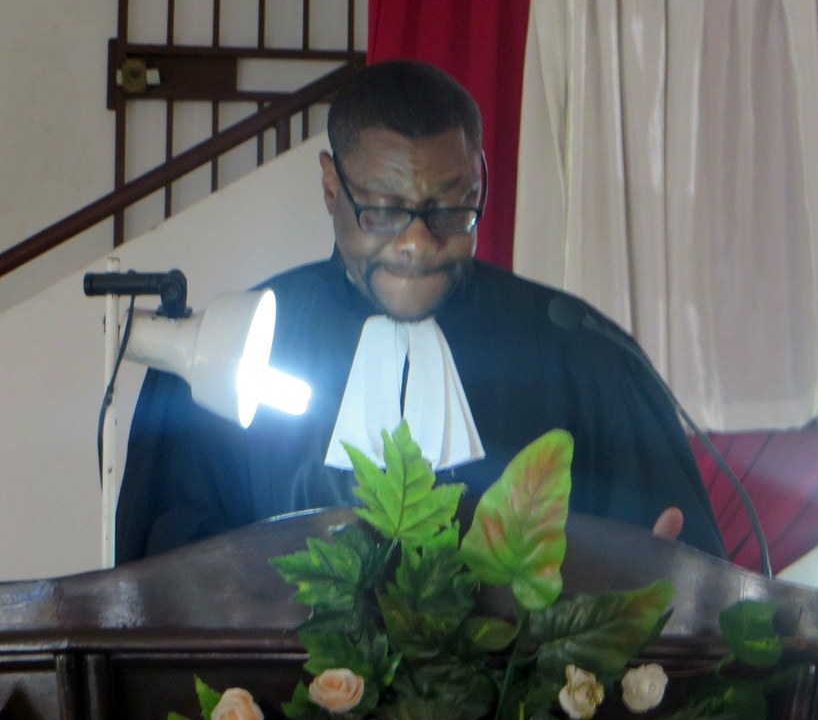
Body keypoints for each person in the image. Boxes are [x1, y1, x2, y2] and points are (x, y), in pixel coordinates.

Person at [116, 60, 725, 563]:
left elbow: (675, 571)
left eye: (448, 210)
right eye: (382, 210)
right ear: (331, 187)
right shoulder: (227, 353)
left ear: (478, 184)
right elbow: (170, 583)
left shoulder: (582, 352)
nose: (416, 242)